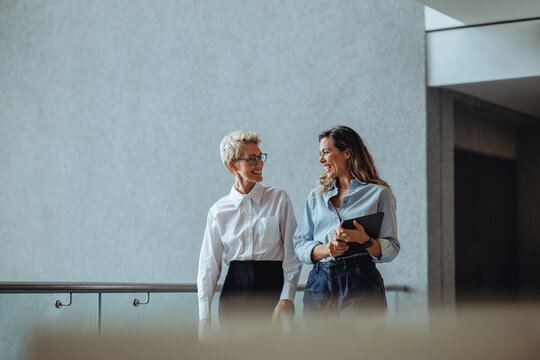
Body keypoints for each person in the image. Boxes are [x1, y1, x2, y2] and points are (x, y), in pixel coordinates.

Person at [197, 130, 302, 334]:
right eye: (252, 159)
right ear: (233, 165)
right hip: (234, 295)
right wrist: (204, 317)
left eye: (260, 157)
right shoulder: (218, 210)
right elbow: (208, 266)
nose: (260, 164)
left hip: (273, 292)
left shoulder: (279, 198)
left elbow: (292, 254)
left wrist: (287, 297)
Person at [293, 125, 399, 315]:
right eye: (320, 153)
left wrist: (364, 240)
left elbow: (392, 248)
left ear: (347, 152)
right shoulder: (315, 196)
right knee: (317, 344)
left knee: (358, 344)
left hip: (361, 280)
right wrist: (327, 249)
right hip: (319, 282)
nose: (321, 159)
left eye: (326, 152)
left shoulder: (379, 194)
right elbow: (300, 243)